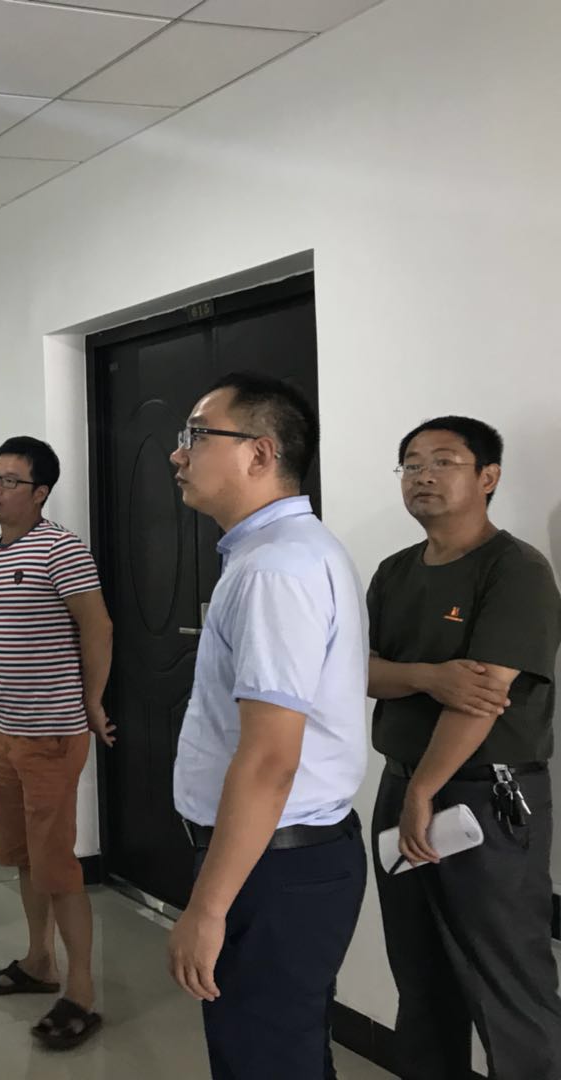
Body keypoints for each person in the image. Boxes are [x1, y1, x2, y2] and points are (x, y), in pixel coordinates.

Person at [166, 373, 367, 1080]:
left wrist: (207, 908)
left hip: (273, 866)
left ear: (259, 453)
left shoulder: (274, 569)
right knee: (286, 1053)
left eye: (196, 435)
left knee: (263, 1060)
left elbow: (270, 759)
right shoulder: (288, 550)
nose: (178, 454)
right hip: (288, 857)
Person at [367, 415, 561, 1080]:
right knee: (420, 976)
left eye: (444, 461)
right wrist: (427, 676)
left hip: (486, 795)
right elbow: (356, 672)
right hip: (402, 786)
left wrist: (423, 790)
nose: (423, 475)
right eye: (412, 464)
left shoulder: (516, 570)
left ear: (488, 477)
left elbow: (481, 695)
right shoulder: (395, 572)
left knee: (508, 983)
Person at [0, 436, 114, 1052]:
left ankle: (80, 991)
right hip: (3, 729)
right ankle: (38, 960)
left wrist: (92, 702)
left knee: (57, 866)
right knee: (25, 856)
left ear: (40, 492)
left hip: (52, 732)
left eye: (10, 480)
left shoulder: (62, 549)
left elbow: (97, 626)